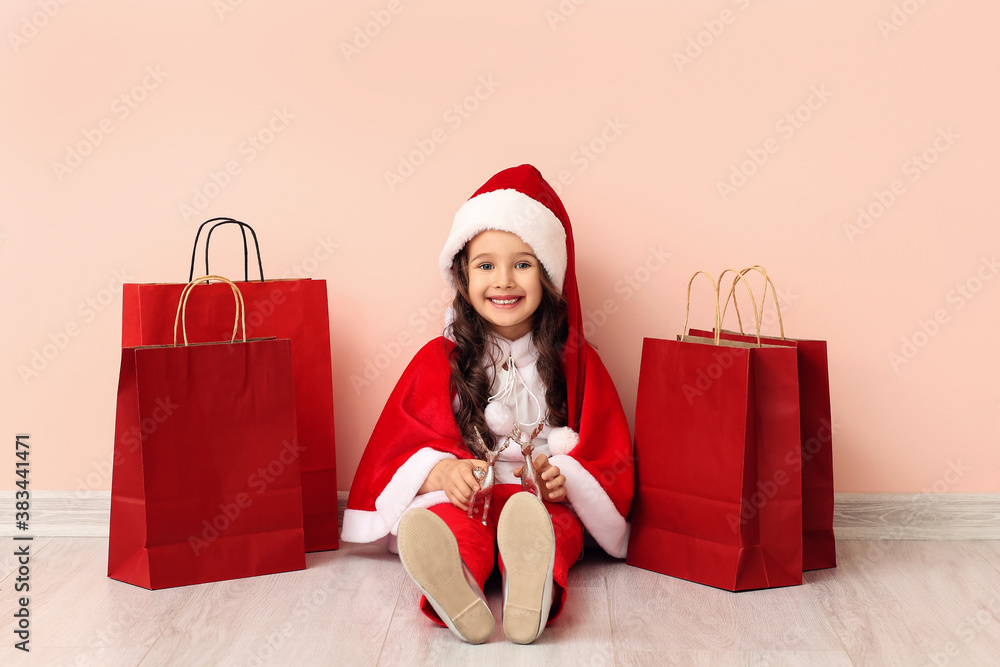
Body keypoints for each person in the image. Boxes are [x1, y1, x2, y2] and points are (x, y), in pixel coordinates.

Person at [342, 164, 633, 645]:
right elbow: (403, 441)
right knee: (453, 526)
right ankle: (458, 589)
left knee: (552, 528)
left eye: (522, 264)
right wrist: (440, 473)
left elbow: (607, 451)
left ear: (548, 276)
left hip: (539, 499)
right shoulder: (440, 360)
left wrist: (563, 478)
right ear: (462, 274)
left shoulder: (575, 363)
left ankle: (530, 584)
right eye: (486, 265)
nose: (504, 281)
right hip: (470, 496)